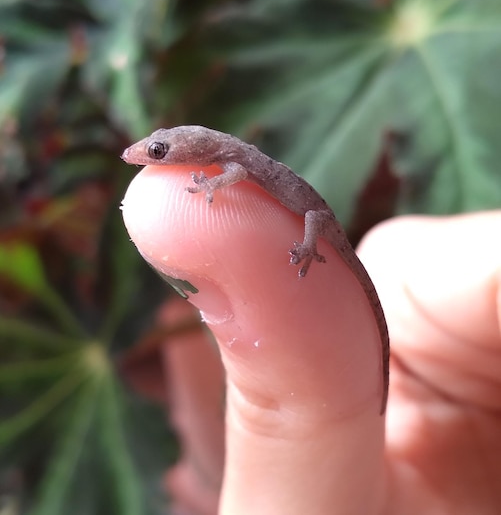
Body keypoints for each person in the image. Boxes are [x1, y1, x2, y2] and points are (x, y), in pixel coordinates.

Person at [122, 162, 501, 514]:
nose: (142, 157)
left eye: (159, 152)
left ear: (196, 149)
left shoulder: (232, 162)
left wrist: (303, 244)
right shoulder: (227, 158)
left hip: (316, 219)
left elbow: (237, 175)